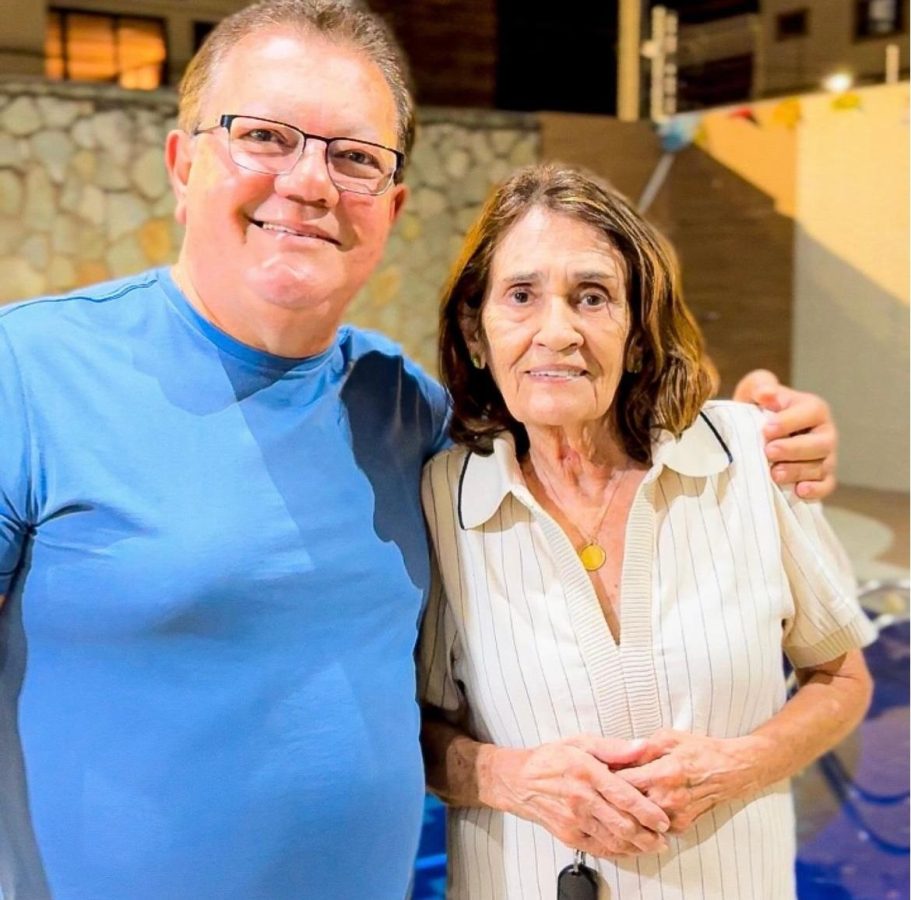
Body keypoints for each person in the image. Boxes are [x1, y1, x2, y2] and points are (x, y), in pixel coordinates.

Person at [0, 2, 837, 898]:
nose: (310, 183)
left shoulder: (407, 413)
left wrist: (770, 431)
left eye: (354, 157)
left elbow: (583, 428)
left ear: (391, 206)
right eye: (264, 137)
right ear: (182, 163)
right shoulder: (29, 373)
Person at [418, 163, 875, 899]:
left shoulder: (746, 458)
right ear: (476, 332)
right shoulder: (443, 499)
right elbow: (408, 726)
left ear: (636, 335)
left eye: (592, 297)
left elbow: (841, 677)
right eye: (521, 295)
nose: (557, 332)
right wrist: (507, 777)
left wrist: (738, 766)